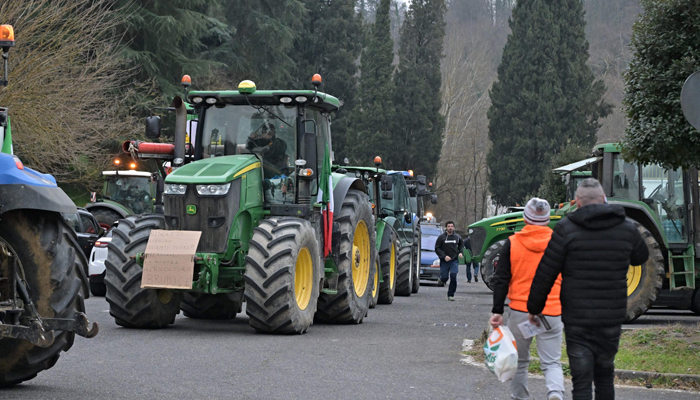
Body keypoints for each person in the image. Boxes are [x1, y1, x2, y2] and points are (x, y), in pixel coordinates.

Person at [527, 178, 649, 400]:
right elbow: (641, 256)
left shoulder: (566, 229)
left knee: (581, 381)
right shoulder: (626, 228)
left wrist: (534, 308)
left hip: (578, 318)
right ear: (604, 199)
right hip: (610, 316)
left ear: (577, 203)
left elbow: (546, 273)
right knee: (605, 375)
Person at [490, 198, 564, 400]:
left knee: (520, 361)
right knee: (552, 362)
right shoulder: (559, 244)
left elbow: (502, 279)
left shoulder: (513, 243)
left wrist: (497, 310)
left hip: (521, 311)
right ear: (548, 220)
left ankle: (520, 397)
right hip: (552, 311)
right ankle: (555, 392)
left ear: (525, 218)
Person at [434, 221, 464, 301]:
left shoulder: (457, 236)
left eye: (451, 226)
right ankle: (441, 280)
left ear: (453, 227)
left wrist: (461, 252)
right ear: (446, 228)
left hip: (454, 260)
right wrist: (444, 256)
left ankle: (451, 295)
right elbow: (437, 248)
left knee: (453, 276)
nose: (450, 228)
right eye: (448, 226)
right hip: (445, 261)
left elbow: (461, 245)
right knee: (445, 277)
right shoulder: (441, 237)